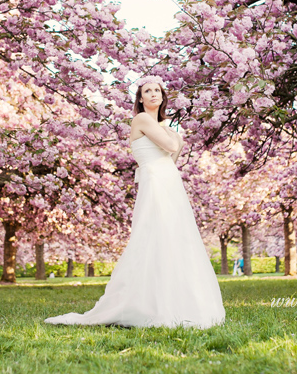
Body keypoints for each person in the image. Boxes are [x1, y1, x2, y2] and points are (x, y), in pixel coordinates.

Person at [45, 76, 225, 329]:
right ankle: (145, 304)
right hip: (154, 182)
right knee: (154, 236)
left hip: (169, 180)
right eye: (147, 91)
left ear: (162, 96)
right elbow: (172, 144)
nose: (153, 94)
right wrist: (173, 134)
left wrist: (172, 136)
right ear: (140, 98)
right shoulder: (142, 120)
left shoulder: (161, 124)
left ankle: (177, 300)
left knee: (176, 238)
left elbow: (172, 158)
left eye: (157, 90)